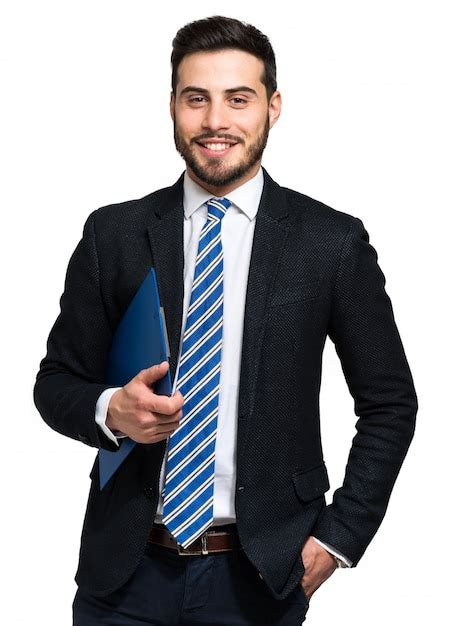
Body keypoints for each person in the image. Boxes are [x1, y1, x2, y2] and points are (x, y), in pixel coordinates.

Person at [34, 15, 418, 626]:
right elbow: (55, 382)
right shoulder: (115, 234)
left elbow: (391, 403)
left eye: (238, 99)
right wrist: (111, 409)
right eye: (197, 99)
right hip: (123, 577)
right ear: (172, 108)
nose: (216, 121)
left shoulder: (331, 243)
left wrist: (340, 537)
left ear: (273, 106)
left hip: (261, 577)